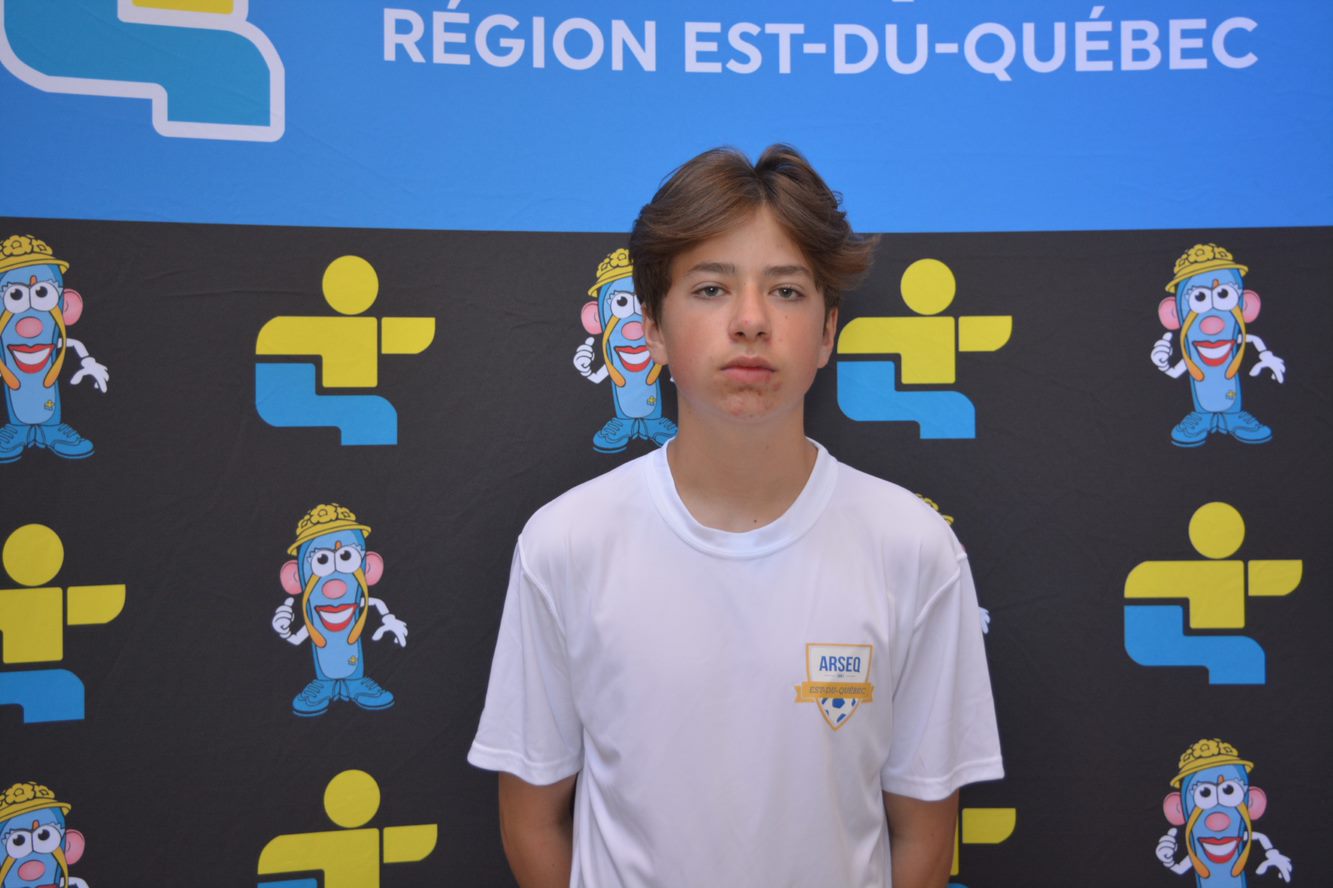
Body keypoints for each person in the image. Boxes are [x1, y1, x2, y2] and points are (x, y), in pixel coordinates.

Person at [468, 145, 1003, 887]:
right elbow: (531, 818)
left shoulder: (913, 548)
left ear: (827, 332)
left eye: (785, 291)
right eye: (711, 288)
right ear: (653, 329)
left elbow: (924, 833)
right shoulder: (565, 543)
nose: (750, 321)